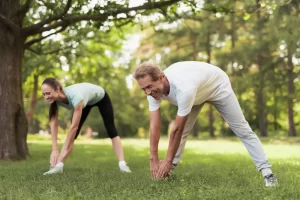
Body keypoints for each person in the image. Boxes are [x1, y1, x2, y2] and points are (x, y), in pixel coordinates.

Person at [133, 61, 278, 187]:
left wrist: (166, 160)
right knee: (182, 133)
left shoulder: (184, 88)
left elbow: (176, 129)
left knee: (242, 129)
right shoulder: (152, 91)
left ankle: (268, 173)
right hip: (196, 91)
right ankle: (168, 172)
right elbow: (155, 126)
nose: (147, 92)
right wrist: (153, 159)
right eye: (144, 88)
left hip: (216, 85)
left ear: (161, 77)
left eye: (149, 87)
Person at [41, 78, 131, 175]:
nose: (46, 97)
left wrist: (62, 151)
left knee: (111, 130)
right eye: (44, 94)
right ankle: (59, 167)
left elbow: (74, 127)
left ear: (58, 89)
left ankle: (122, 164)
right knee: (72, 136)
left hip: (101, 97)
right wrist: (54, 150)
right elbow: (54, 124)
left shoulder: (75, 96)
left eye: (48, 93)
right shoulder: (54, 100)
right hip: (85, 102)